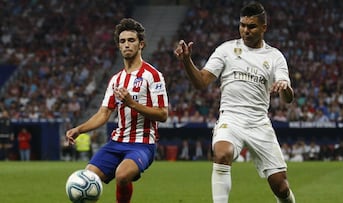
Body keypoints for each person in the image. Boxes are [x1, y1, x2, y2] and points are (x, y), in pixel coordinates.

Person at [174, 2, 295, 202]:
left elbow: (287, 98)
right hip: (231, 119)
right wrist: (187, 61)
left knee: (280, 186)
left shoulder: (275, 57)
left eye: (251, 26)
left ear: (264, 27)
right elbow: (201, 82)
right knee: (221, 154)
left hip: (259, 123)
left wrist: (285, 86)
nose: (245, 30)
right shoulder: (226, 50)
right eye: (242, 25)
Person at [66, 18, 169, 203]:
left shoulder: (152, 75)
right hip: (116, 142)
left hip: (142, 144)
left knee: (122, 176)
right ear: (118, 46)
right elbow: (103, 114)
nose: (127, 45)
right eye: (122, 41)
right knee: (86, 179)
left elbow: (163, 114)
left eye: (131, 40)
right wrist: (79, 129)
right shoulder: (116, 80)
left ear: (141, 44)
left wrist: (133, 103)